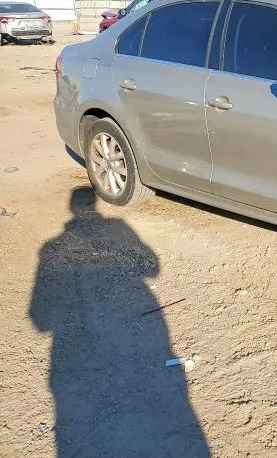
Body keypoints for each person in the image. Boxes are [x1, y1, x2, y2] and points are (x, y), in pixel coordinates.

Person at [29, 187, 210, 457]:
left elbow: (39, 319)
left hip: (81, 367)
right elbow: (152, 267)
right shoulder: (117, 226)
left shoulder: (51, 248)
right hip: (143, 331)